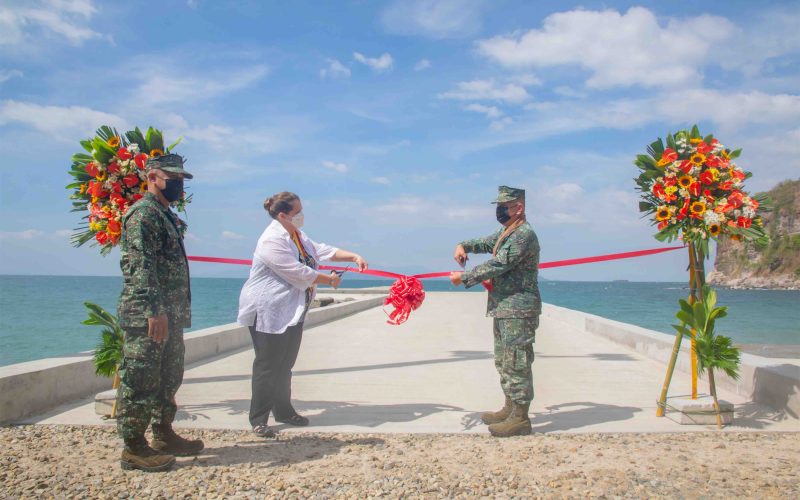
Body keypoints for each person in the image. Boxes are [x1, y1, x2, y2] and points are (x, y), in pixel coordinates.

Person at [238, 191, 368, 438]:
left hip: (291, 310)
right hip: (268, 310)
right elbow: (296, 271)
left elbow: (321, 251)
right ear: (282, 215)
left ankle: (284, 411)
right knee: (268, 365)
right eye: (297, 212)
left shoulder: (297, 235)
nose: (302, 216)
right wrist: (329, 280)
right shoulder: (271, 240)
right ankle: (258, 419)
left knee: (285, 364)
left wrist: (353, 256)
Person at [115, 154, 204, 472]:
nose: (179, 185)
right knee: (141, 379)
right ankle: (134, 448)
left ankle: (163, 434)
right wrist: (153, 310)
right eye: (173, 178)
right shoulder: (143, 214)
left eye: (182, 180)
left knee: (168, 377)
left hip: (171, 314)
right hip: (149, 316)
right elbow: (141, 266)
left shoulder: (164, 215)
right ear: (152, 177)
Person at [449, 185, 541, 437]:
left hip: (518, 309)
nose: (499, 211)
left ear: (518, 207)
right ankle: (510, 408)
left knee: (517, 362)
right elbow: (486, 243)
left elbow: (500, 263)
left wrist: (464, 277)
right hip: (504, 307)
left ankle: (520, 418)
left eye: (504, 206)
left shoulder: (523, 235)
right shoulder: (507, 232)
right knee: (504, 360)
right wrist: (463, 245)